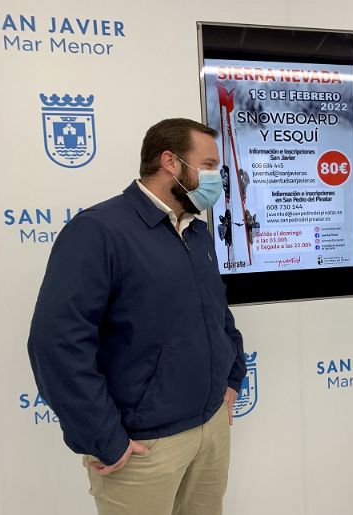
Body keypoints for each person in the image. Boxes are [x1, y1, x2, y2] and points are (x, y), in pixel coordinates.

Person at [27, 118, 246, 515]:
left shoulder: (196, 233)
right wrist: (103, 437)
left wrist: (233, 375)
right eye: (210, 165)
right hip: (145, 448)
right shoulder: (99, 231)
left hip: (210, 429)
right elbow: (56, 342)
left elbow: (216, 311)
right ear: (171, 162)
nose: (218, 178)